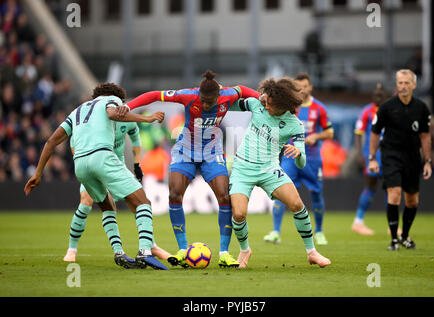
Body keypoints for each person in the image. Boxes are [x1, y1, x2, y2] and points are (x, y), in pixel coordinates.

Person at [124, 70, 260, 268]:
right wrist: (127, 106)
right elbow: (153, 95)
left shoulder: (228, 95)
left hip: (212, 152)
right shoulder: (188, 95)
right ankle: (181, 250)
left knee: (224, 196)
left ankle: (224, 253)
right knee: (174, 195)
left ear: (218, 96)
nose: (205, 105)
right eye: (202, 101)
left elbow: (244, 90)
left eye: (209, 102)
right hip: (185, 152)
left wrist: (260, 97)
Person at [25, 83, 168, 269]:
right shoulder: (112, 100)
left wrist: (38, 173)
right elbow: (113, 113)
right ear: (117, 97)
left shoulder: (77, 111)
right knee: (143, 202)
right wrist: (146, 119)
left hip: (80, 165)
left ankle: (119, 253)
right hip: (102, 157)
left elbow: (51, 141)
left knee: (107, 206)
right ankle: (145, 252)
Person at [229, 77, 331, 269]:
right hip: (243, 169)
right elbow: (228, 105)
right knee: (239, 214)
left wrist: (299, 153)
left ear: (283, 105)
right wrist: (222, 96)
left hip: (270, 170)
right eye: (266, 103)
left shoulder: (295, 124)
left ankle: (312, 252)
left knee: (297, 204)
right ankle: (244, 249)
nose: (267, 107)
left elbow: (301, 164)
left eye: (271, 105)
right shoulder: (257, 105)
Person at [63, 120, 170, 263]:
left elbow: (136, 139)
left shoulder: (126, 120)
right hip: (94, 166)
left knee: (136, 203)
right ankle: (72, 249)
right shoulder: (91, 122)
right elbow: (74, 146)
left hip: (116, 168)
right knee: (85, 201)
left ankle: (152, 246)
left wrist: (137, 164)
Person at [264, 73, 333, 245]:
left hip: (312, 158)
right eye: (298, 86)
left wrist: (316, 136)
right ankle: (275, 231)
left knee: (316, 194)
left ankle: (319, 231)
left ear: (310, 87)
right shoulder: (288, 107)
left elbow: (330, 132)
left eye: (305, 86)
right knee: (280, 192)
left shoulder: (319, 108)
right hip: (289, 157)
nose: (302, 89)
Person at [369, 69, 432, 250]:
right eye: (400, 83)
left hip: (412, 157)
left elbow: (425, 136)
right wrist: (372, 158)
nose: (403, 87)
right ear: (396, 85)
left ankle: (405, 236)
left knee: (412, 200)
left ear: (414, 84)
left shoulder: (421, 108)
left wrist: (427, 160)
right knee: (394, 194)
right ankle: (394, 239)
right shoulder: (387, 107)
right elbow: (374, 133)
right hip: (391, 155)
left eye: (406, 83)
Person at [352, 84, 388, 235]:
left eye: (380, 95)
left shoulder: (390, 109)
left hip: (389, 154)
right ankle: (358, 221)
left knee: (391, 187)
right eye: (375, 95)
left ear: (385, 96)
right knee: (370, 186)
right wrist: (360, 153)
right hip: (372, 154)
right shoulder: (367, 111)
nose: (378, 97)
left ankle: (392, 224)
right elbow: (358, 133)